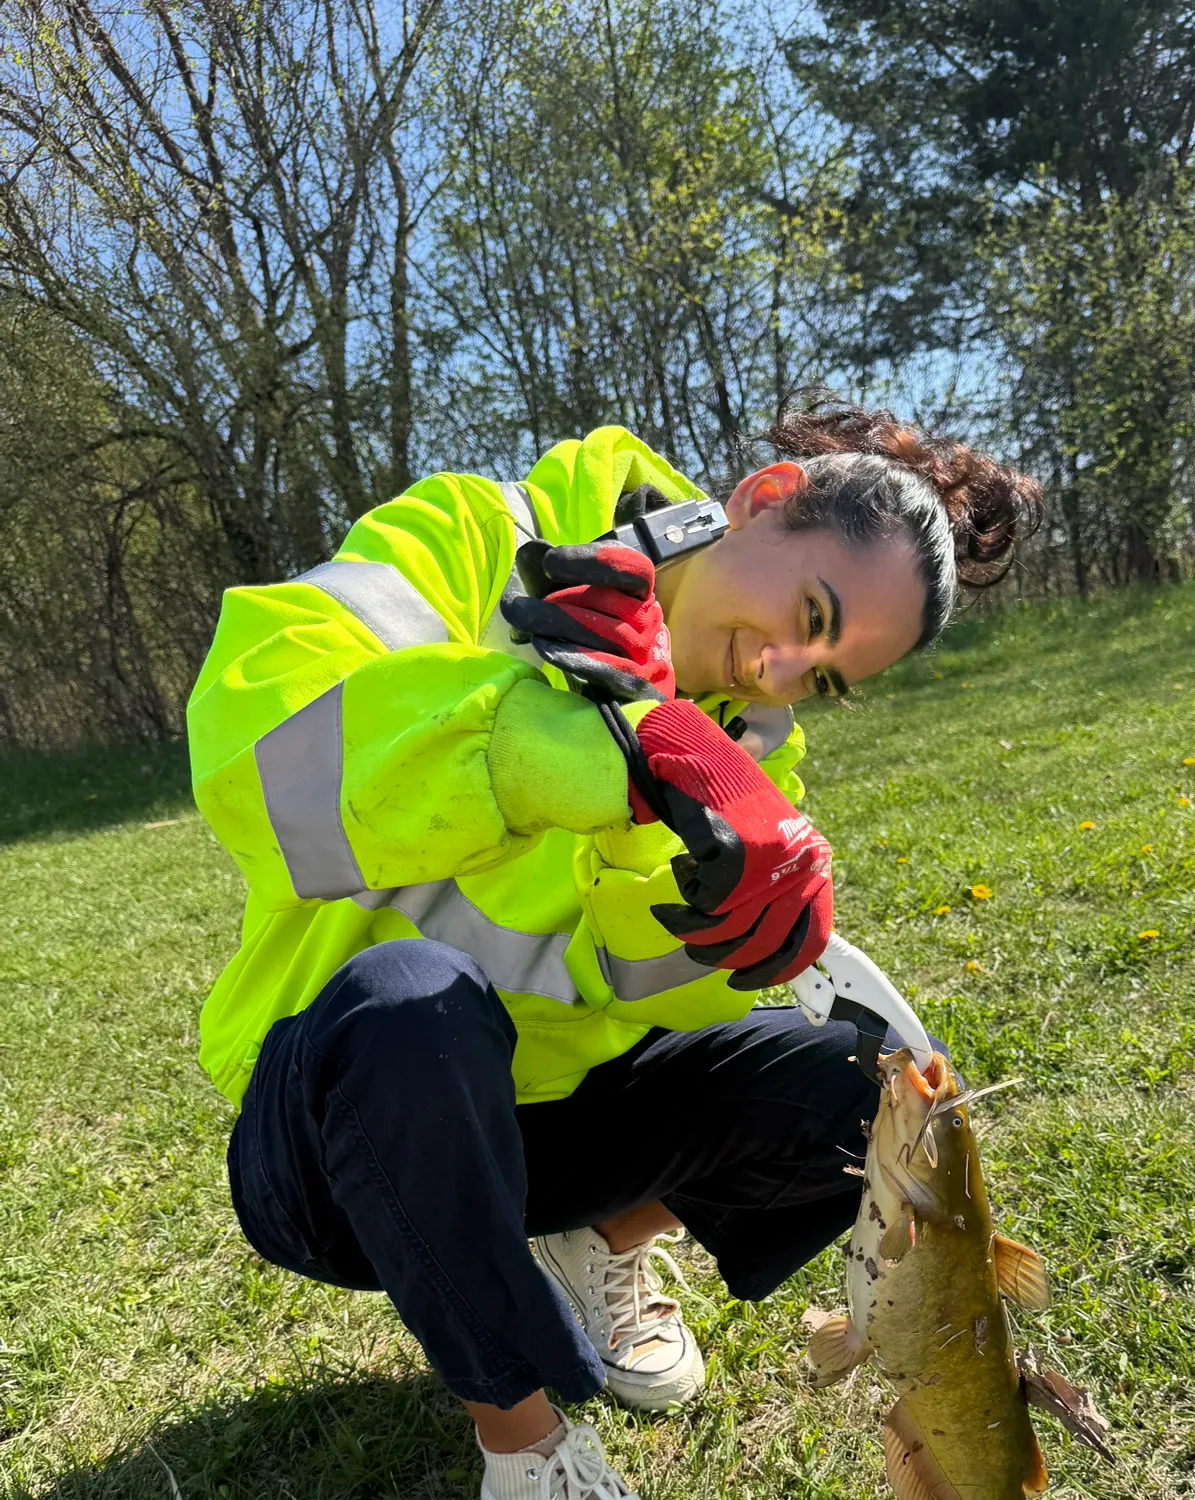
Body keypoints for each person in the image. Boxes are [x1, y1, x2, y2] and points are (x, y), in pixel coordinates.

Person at [186, 398, 1040, 1500]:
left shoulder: (748, 759)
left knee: (849, 1084)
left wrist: (723, 928)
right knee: (411, 1002)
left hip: (541, 1132)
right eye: (809, 612)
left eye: (823, 677)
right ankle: (530, 1450)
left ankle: (602, 1246)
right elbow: (256, 748)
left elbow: (628, 982)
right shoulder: (478, 533)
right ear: (762, 501)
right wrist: (554, 741)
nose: (780, 671)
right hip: (339, 1131)